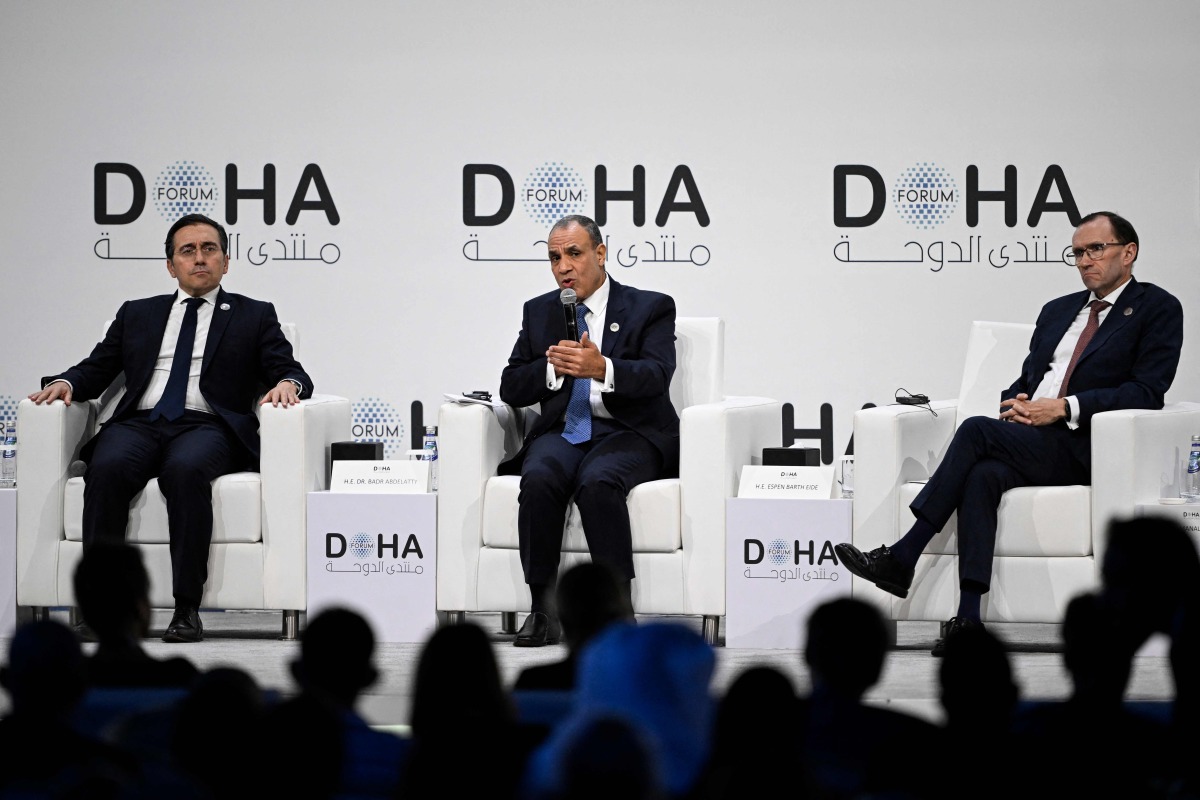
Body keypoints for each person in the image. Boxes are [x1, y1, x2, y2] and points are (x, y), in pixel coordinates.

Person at [835, 211, 1183, 656]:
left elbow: (1148, 390)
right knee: (982, 476)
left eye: (1096, 249)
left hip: (1088, 443)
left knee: (977, 432)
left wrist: (1064, 408)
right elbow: (1027, 379)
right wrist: (1018, 404)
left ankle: (904, 555)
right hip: (1035, 438)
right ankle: (968, 618)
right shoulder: (1058, 311)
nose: (1084, 260)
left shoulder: (1157, 307)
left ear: (1128, 252)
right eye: (1077, 252)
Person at [29, 212, 313, 643]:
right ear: (171, 265)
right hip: (139, 424)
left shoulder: (254, 316)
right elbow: (97, 368)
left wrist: (288, 385)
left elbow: (289, 368)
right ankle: (104, 609)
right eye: (188, 251)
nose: (199, 259)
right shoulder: (137, 314)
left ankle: (186, 609)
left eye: (209, 249)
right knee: (105, 471)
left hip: (207, 426)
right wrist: (66, 383)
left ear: (226, 261)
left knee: (185, 471)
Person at [499, 213, 680, 647]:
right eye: (554, 257)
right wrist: (551, 368)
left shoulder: (649, 306)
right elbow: (510, 385)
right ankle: (542, 609)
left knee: (598, 482)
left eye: (574, 254)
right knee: (539, 477)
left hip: (629, 431)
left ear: (600, 254)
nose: (563, 266)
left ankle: (618, 615)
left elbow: (656, 375)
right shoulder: (539, 310)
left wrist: (602, 367)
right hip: (566, 431)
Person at [73, 540, 200, 687]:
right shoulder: (181, 678)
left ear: (85, 611)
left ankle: (186, 608)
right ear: (143, 608)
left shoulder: (66, 686)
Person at [513, 561, 635, 691]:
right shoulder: (641, 682)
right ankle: (539, 612)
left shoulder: (530, 681)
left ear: (558, 613)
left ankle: (541, 611)